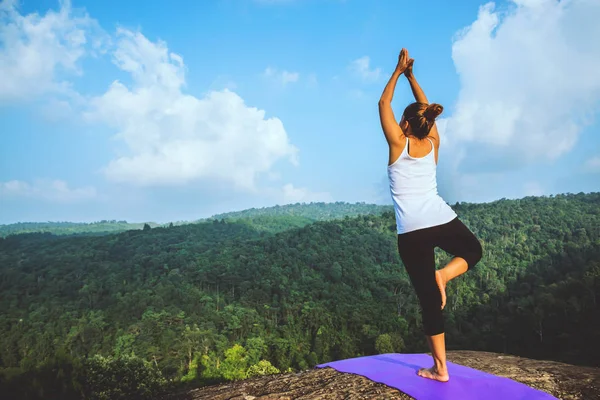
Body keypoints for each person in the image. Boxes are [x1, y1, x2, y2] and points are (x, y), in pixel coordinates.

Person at [378, 48, 483, 382]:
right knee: (473, 251)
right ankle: (445, 275)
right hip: (440, 218)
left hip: (412, 232)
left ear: (405, 124)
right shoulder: (433, 142)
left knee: (429, 302)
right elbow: (428, 114)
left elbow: (383, 105)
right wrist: (412, 77)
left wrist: (397, 72)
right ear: (428, 124)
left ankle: (441, 369)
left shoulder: (399, 144)